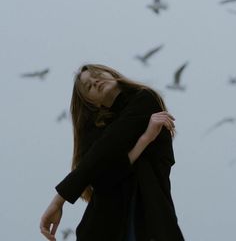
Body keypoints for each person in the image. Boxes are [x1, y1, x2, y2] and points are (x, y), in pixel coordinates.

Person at [40, 64, 185, 241]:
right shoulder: (95, 132)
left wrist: (60, 198)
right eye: (88, 86)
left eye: (97, 74)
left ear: (112, 73)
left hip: (149, 218)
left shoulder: (145, 100)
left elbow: (110, 146)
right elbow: (101, 177)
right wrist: (144, 139)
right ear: (92, 101)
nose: (95, 81)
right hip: (101, 226)